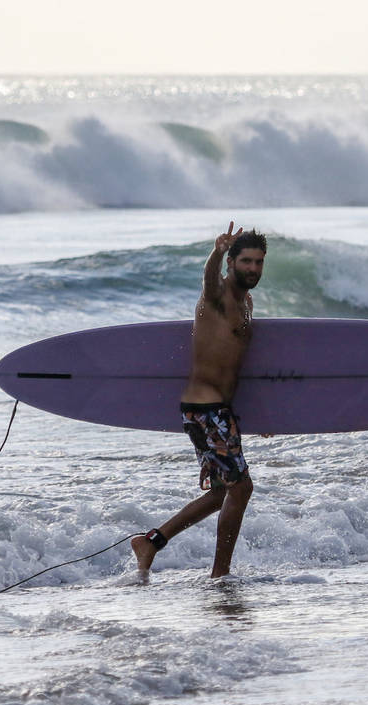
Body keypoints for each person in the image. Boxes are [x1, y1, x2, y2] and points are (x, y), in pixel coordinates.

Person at [131, 221, 267, 579]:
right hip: (206, 410)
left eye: (259, 262)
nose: (253, 269)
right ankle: (220, 575)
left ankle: (151, 542)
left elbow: (236, 367)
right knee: (243, 488)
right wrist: (217, 250)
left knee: (223, 492)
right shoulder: (217, 295)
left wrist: (260, 416)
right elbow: (207, 280)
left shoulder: (246, 302)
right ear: (232, 263)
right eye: (246, 261)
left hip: (217, 411)